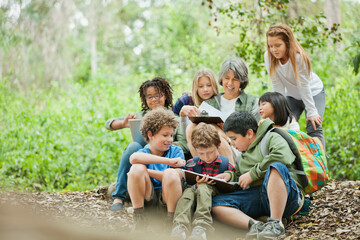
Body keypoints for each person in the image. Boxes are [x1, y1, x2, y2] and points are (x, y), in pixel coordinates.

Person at [211, 111, 304, 239]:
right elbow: (239, 176)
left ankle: (276, 224)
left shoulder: (271, 137)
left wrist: (253, 174)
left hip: (289, 197)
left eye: (234, 139)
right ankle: (257, 226)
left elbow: (283, 156)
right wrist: (229, 176)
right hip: (258, 197)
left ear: (249, 133)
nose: (232, 143)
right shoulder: (240, 158)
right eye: (230, 140)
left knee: (276, 167)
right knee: (215, 204)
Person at [105, 77, 188, 211]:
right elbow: (109, 123)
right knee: (133, 147)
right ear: (145, 99)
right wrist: (123, 123)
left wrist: (162, 141)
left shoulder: (174, 117)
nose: (154, 99)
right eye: (150, 97)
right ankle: (119, 196)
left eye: (158, 95)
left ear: (165, 95)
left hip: (165, 158)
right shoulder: (140, 115)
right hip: (143, 157)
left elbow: (184, 145)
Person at [186, 57, 261, 166]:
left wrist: (226, 131)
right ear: (222, 79)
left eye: (235, 79)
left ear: (242, 81)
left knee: (213, 129)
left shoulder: (252, 102)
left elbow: (252, 136)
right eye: (227, 78)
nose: (230, 83)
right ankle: (200, 168)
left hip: (239, 150)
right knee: (191, 128)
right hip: (212, 149)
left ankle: (231, 174)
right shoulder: (210, 103)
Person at [169, 123, 235, 240]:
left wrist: (228, 176)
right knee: (188, 192)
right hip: (195, 193)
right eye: (201, 153)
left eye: (210, 152)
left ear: (218, 145)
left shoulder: (225, 163)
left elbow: (234, 178)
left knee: (204, 186)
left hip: (216, 194)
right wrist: (195, 185)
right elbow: (186, 181)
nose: (207, 157)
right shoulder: (192, 163)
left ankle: (201, 227)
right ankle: (180, 226)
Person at [265, 24, 325, 147]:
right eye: (271, 46)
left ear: (287, 43)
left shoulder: (298, 57)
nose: (274, 50)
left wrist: (312, 111)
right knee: (283, 126)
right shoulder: (269, 57)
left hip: (313, 92)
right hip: (292, 96)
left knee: (314, 127)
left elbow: (304, 86)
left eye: (278, 45)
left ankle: (321, 164)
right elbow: (277, 86)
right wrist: (279, 111)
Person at [127, 107, 186, 230]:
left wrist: (146, 172)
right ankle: (140, 219)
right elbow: (133, 158)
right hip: (149, 199)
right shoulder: (144, 152)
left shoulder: (176, 151)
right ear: (150, 134)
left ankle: (171, 221)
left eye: (171, 135)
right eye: (165, 135)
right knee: (136, 169)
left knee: (170, 173)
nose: (170, 139)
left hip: (168, 201)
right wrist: (168, 161)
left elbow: (177, 175)